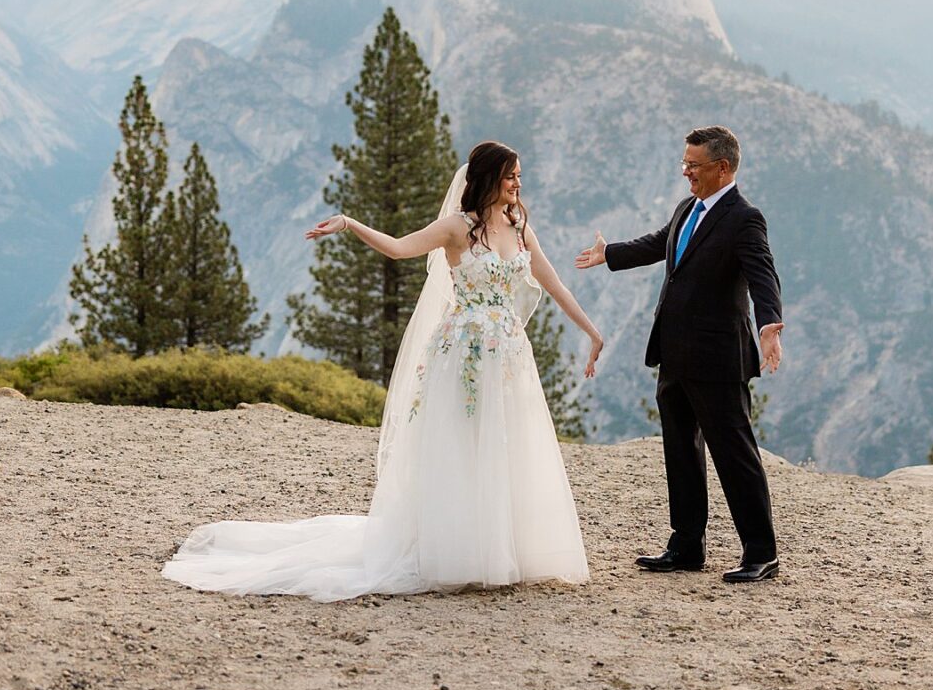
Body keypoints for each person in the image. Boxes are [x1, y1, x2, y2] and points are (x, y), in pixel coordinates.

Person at [162, 140, 603, 602]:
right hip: (463, 356)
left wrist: (592, 334)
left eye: (519, 176)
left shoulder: (519, 226)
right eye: (512, 176)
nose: (518, 184)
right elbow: (397, 249)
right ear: (491, 178)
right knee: (462, 447)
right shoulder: (457, 228)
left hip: (510, 356)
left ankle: (505, 547)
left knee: (505, 446)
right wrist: (350, 224)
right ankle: (458, 549)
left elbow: (551, 282)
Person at [575, 125, 784, 583]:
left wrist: (769, 324)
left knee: (734, 453)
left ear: (723, 168)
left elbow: (763, 275)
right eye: (684, 163)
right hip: (673, 351)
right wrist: (609, 253)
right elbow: (658, 243)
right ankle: (687, 545)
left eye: (694, 165)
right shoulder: (688, 207)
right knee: (680, 450)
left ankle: (761, 552)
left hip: (718, 358)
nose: (685, 172)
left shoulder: (745, 218)